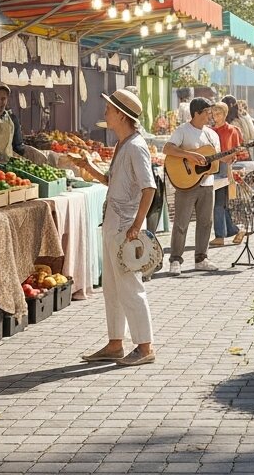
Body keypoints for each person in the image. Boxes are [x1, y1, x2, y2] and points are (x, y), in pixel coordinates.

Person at [76, 89, 159, 367]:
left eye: (109, 109)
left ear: (122, 115)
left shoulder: (135, 146)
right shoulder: (124, 143)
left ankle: (145, 346)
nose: (105, 113)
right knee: (112, 287)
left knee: (130, 286)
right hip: (115, 223)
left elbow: (149, 188)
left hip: (126, 227)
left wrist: (136, 226)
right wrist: (88, 167)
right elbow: (114, 184)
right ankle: (115, 343)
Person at [162, 98, 220, 274]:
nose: (210, 115)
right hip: (186, 183)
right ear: (197, 113)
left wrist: (227, 158)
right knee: (181, 223)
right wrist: (190, 155)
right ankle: (175, 260)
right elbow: (167, 149)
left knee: (205, 223)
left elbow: (214, 161)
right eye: (207, 112)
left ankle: (201, 258)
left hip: (207, 184)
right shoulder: (183, 131)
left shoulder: (212, 135)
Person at [208, 101, 247, 246]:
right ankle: (235, 230)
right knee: (220, 203)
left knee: (219, 203)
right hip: (212, 167)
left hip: (224, 168)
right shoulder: (210, 131)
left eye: (218, 113)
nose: (215, 116)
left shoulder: (232, 130)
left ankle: (220, 236)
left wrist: (229, 158)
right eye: (214, 113)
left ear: (225, 114)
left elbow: (237, 150)